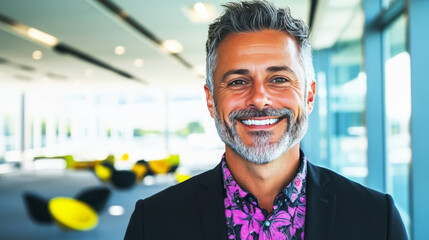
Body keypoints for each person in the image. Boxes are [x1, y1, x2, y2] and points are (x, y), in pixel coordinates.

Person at [124, 1, 407, 239]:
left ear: (309, 97)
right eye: (237, 81)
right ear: (211, 100)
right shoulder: (152, 223)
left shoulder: (376, 219)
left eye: (280, 79)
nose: (259, 99)